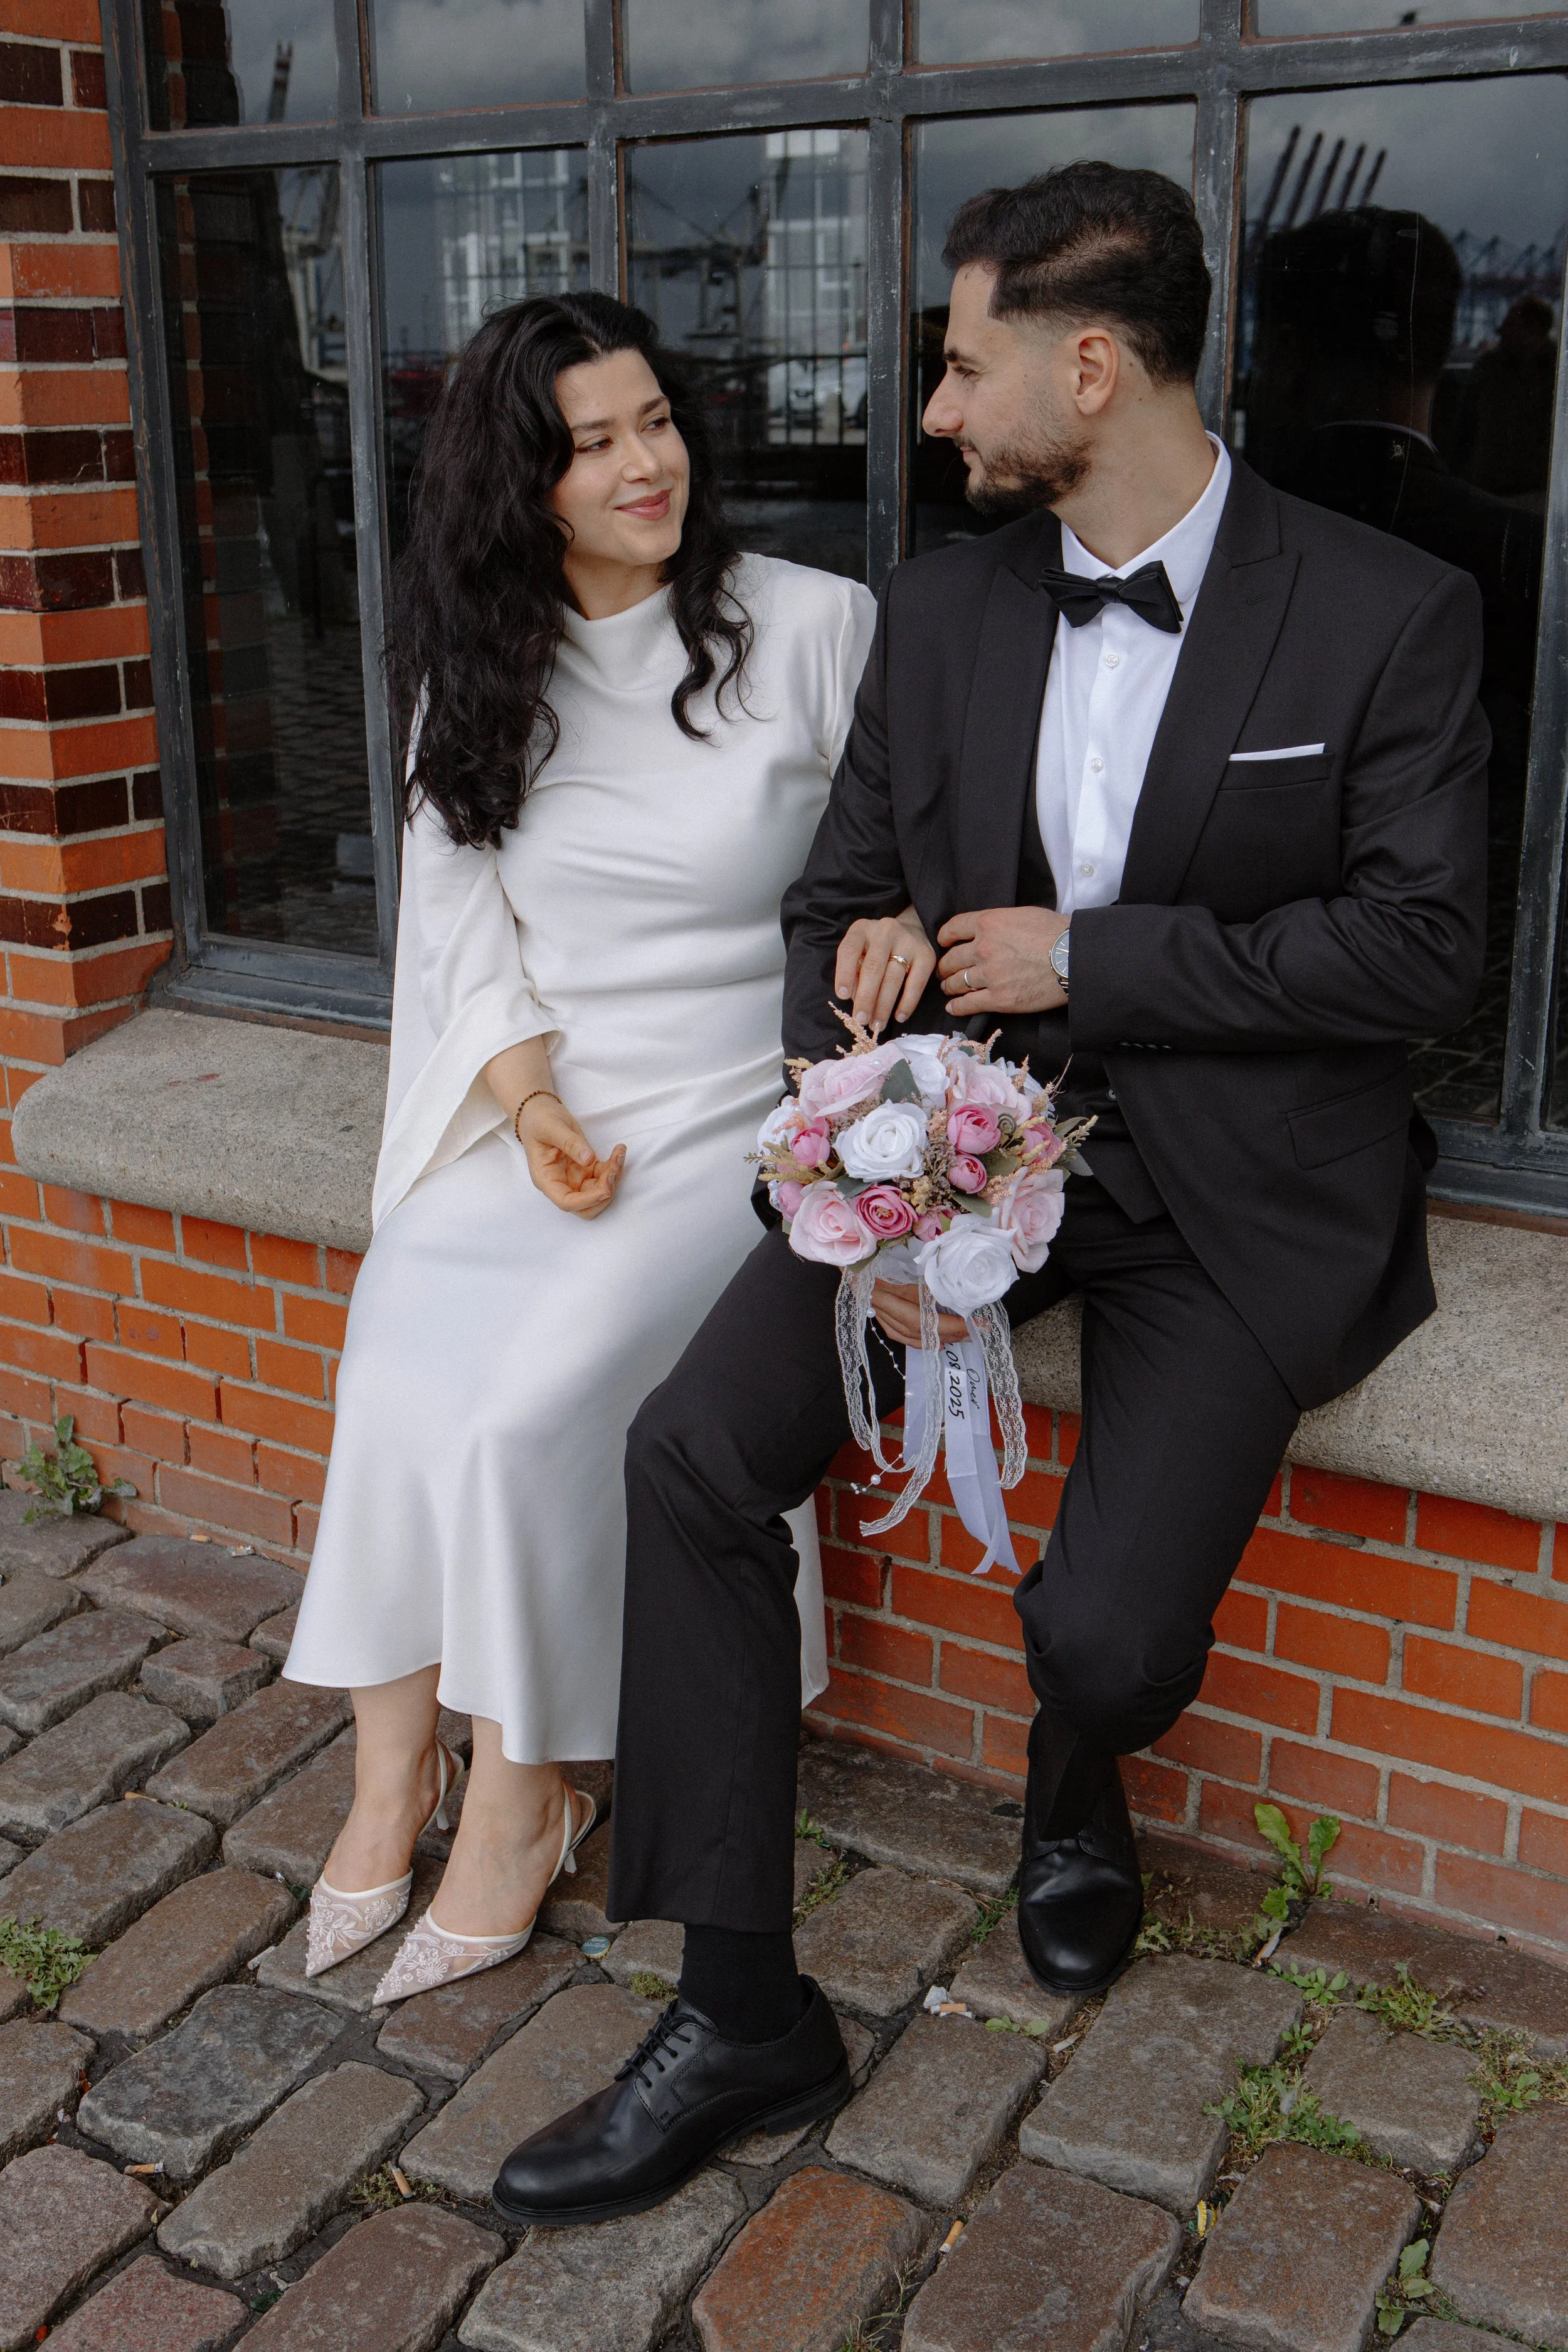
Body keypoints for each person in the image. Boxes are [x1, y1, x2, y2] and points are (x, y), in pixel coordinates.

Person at [491, 162, 1486, 2226]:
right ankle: (741, 2002)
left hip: (1231, 1187)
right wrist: (851, 1015)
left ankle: (1074, 1766)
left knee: (1107, 1633)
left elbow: (1419, 952)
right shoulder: (940, 615)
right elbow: (837, 896)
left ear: (1090, 363)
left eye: (961, 366)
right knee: (685, 1453)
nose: (939, 413)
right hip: (944, 1155)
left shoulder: (1393, 609)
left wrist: (1088, 959)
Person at [283, 291, 896, 2003]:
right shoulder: (480, 671)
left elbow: (889, 868)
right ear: (516, 483)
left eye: (656, 421)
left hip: (731, 1111)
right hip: (547, 1103)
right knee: (399, 1344)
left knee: (532, 1399)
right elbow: (463, 931)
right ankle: (391, 1772)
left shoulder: (813, 627)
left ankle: (533, 1789)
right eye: (592, 443)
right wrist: (536, 1108)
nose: (646, 465)